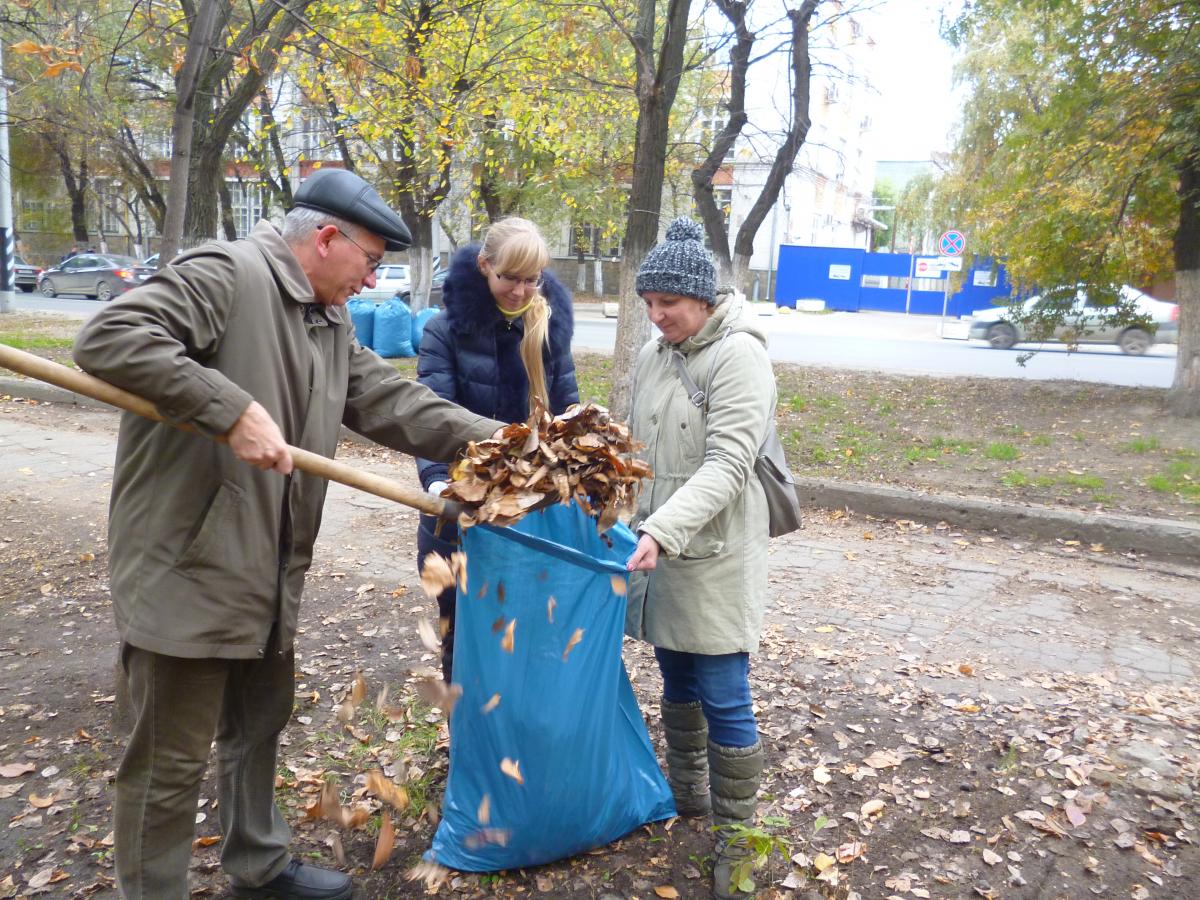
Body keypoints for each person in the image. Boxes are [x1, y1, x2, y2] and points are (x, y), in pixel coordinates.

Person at [72, 167, 506, 900]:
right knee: (168, 762)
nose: (372, 282)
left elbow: (393, 401)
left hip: (268, 565)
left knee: (257, 725)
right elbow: (110, 336)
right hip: (189, 563)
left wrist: (503, 442)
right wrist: (228, 407)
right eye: (370, 262)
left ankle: (258, 864)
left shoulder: (325, 317)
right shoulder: (227, 275)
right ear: (328, 238)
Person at [624, 218, 774, 900]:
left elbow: (729, 464)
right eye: (649, 304)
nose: (658, 317)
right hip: (657, 552)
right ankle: (688, 799)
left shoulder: (739, 356)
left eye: (670, 305)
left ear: (704, 300)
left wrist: (660, 528)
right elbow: (635, 447)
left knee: (724, 695)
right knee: (674, 676)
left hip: (709, 554)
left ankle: (739, 843)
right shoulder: (655, 354)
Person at [415, 217, 578, 682]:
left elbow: (565, 407)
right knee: (464, 633)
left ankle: (517, 740)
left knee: (528, 632)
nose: (520, 291)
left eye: (532, 280)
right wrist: (438, 483)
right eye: (509, 277)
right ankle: (468, 744)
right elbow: (428, 417)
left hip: (532, 510)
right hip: (460, 509)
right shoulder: (444, 332)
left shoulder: (547, 328)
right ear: (485, 266)